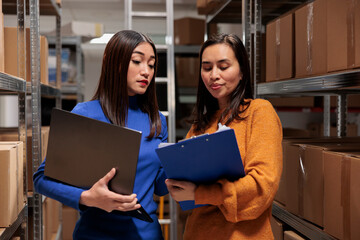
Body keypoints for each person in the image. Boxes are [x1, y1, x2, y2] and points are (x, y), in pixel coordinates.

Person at [34, 30, 169, 240]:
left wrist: (182, 165)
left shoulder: (157, 120)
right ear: (114, 63)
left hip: (147, 234)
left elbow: (160, 188)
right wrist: (88, 198)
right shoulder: (85, 114)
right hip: (96, 234)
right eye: (137, 61)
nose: (146, 71)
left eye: (151, 65)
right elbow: (42, 179)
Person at [165, 33, 283, 240]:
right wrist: (177, 186)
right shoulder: (200, 125)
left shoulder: (259, 112)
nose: (214, 75)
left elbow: (263, 186)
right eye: (207, 67)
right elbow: (186, 198)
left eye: (223, 66)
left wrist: (201, 193)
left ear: (242, 72)